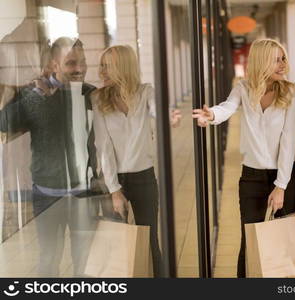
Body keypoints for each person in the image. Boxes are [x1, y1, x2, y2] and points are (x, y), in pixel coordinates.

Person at [192, 38, 295, 278]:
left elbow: (289, 140)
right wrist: (211, 115)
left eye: (283, 58)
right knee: (249, 240)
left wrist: (280, 186)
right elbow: (228, 107)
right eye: (276, 59)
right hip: (251, 177)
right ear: (261, 61)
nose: (283, 64)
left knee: (283, 241)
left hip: (285, 177)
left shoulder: (291, 91)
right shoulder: (243, 88)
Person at [0, 37, 101, 277]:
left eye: (83, 62)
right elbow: (4, 122)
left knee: (85, 260)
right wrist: (36, 95)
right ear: (54, 65)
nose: (79, 69)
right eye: (71, 63)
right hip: (47, 194)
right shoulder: (36, 93)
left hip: (84, 193)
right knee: (49, 259)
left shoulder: (90, 94)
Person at [92, 45, 181, 278]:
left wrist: (168, 116)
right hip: (114, 180)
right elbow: (104, 147)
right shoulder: (98, 98)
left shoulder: (145, 92)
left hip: (144, 177)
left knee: (150, 240)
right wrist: (114, 190)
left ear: (123, 67)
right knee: (117, 244)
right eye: (101, 66)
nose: (101, 71)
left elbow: (158, 111)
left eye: (107, 66)